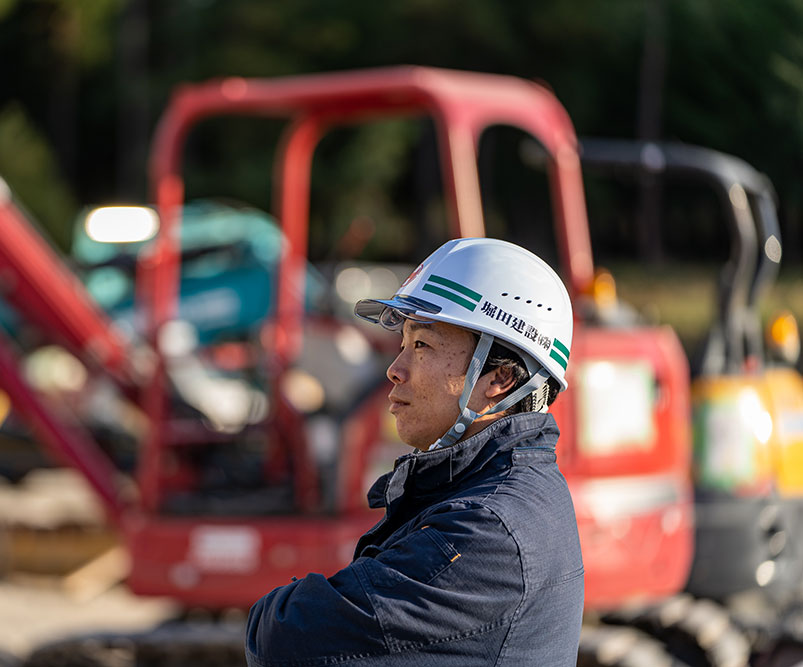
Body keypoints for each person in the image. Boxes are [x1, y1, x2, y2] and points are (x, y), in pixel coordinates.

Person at [245, 237, 584, 666]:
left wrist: (277, 610)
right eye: (403, 342)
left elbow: (288, 637)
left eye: (421, 345)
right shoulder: (494, 493)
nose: (395, 369)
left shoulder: (486, 530)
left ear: (499, 378)